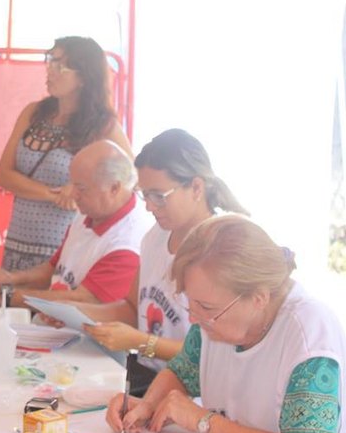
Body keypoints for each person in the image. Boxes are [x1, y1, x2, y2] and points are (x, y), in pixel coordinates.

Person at [107, 215, 346, 433]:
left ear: (258, 298)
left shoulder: (310, 335)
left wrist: (205, 422)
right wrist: (148, 405)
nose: (194, 319)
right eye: (190, 303)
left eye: (207, 308)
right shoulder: (212, 322)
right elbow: (181, 373)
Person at [72, 129, 248, 385]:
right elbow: (132, 308)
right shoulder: (154, 237)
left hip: (196, 392)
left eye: (158, 196)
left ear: (196, 187)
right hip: (148, 377)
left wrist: (142, 342)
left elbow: (220, 351)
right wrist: (77, 314)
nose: (149, 206)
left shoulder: (221, 249)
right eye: (144, 194)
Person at [0, 36, 132, 272]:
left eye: (60, 65)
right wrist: (52, 194)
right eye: (50, 61)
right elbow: (4, 175)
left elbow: (132, 178)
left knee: (52, 305)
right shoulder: (33, 113)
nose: (50, 70)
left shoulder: (103, 126)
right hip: (17, 242)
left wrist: (79, 189)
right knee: (9, 304)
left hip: (64, 248)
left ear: (83, 77)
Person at [0, 140, 151, 306]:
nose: (72, 194)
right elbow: (53, 270)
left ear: (114, 188)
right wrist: (10, 279)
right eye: (72, 184)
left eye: (81, 188)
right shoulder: (89, 211)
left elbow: (83, 301)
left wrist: (3, 294)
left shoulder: (128, 243)